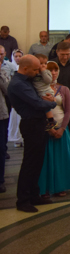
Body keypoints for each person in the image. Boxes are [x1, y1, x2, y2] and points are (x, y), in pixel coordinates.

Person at [8, 55, 57, 212]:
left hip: (38, 122)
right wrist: (53, 102)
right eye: (35, 69)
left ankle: (34, 195)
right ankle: (23, 200)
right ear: (25, 68)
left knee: (37, 162)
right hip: (31, 124)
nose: (38, 72)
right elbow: (37, 103)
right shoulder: (18, 84)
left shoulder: (28, 80)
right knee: (30, 163)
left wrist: (48, 99)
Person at [38, 62, 70, 197]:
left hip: (62, 128)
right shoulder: (40, 88)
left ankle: (61, 185)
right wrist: (50, 128)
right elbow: (41, 110)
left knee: (61, 160)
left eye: (56, 70)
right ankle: (46, 187)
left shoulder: (64, 89)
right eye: (50, 70)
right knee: (46, 160)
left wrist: (62, 129)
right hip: (46, 129)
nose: (54, 73)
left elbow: (68, 111)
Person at [1, 47, 22, 150]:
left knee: (5, 123)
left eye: (1, 54)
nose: (18, 58)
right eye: (16, 56)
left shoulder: (11, 66)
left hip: (9, 96)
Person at [0, 47, 10, 192]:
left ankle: (0, 180)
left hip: (1, 115)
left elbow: (8, 90)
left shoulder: (3, 71)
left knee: (1, 148)